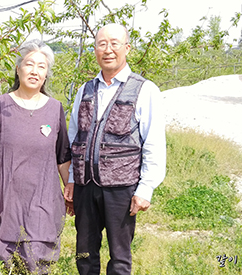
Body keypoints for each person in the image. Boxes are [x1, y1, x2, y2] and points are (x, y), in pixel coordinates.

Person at [65, 24, 167, 274]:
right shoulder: (85, 90)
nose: (107, 50)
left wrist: (145, 188)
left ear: (127, 48)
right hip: (85, 187)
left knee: (119, 256)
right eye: (101, 44)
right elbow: (74, 138)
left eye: (114, 43)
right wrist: (71, 180)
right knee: (84, 252)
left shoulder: (145, 89)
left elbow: (153, 142)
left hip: (122, 189)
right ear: (95, 49)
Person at [0, 40, 72, 274]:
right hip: (6, 198)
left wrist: (70, 187)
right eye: (29, 64)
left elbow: (62, 156)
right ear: (18, 69)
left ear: (46, 74)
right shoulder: (0, 105)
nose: (34, 71)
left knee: (37, 261)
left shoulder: (55, 108)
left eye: (41, 66)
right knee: (4, 261)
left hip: (42, 199)